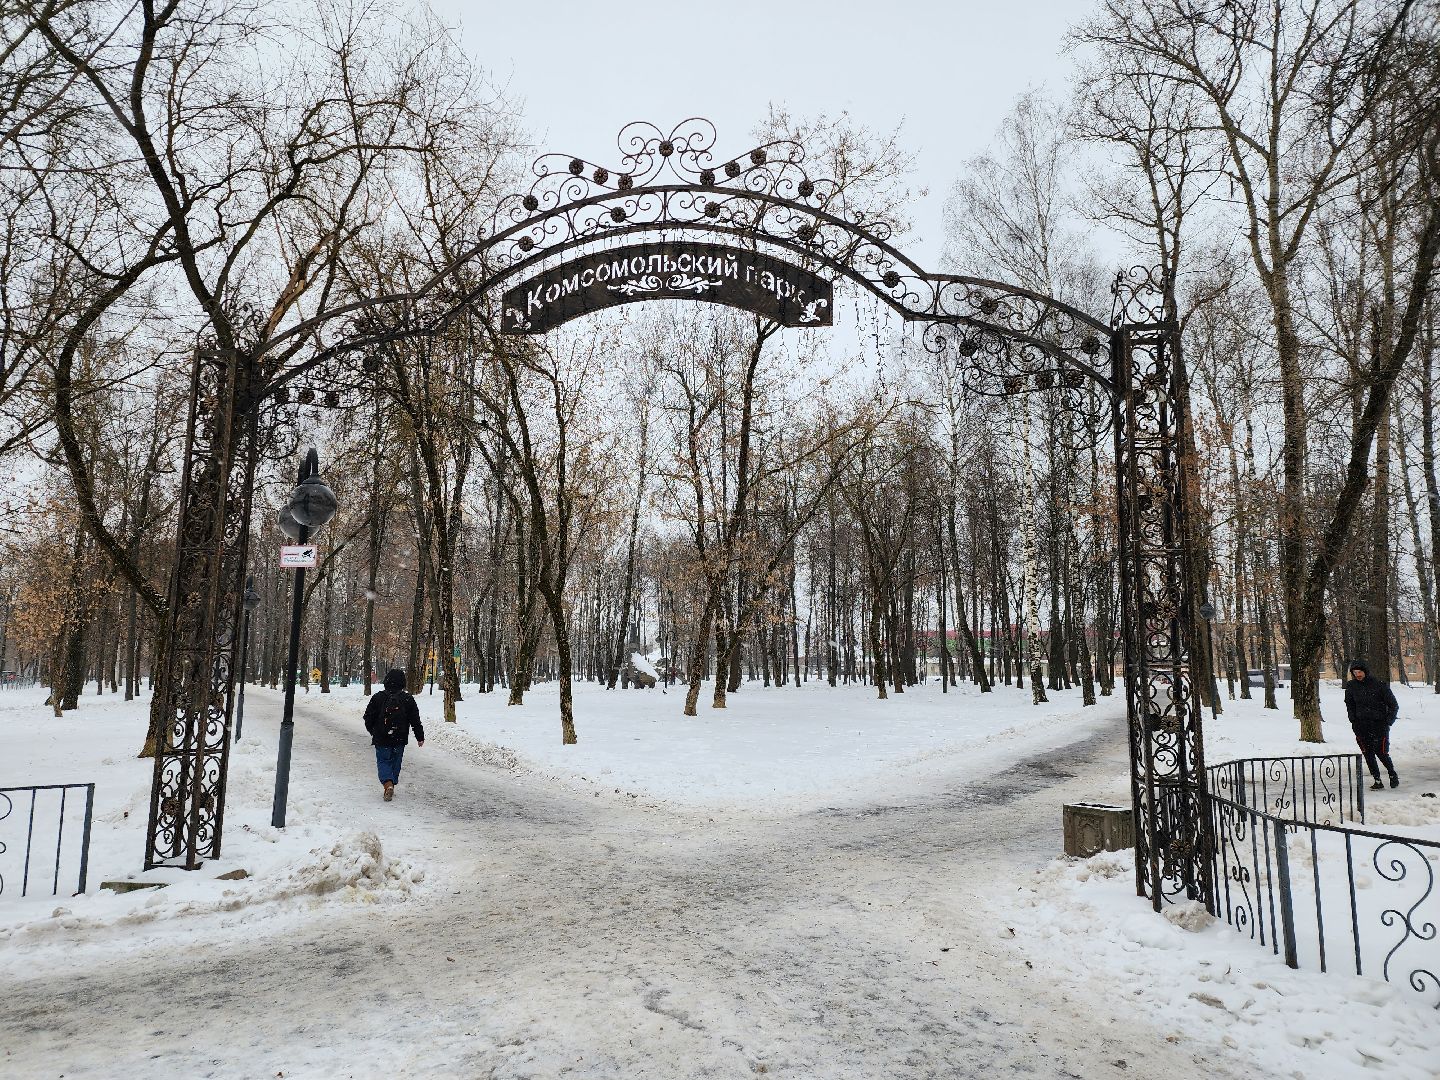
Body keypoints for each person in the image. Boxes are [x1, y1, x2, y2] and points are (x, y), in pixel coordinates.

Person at [363, 669, 424, 801]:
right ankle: (392, 783)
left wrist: (373, 732)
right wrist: (420, 737)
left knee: (384, 761)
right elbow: (415, 720)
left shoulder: (378, 697)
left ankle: (387, 783)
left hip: (382, 738)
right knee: (396, 762)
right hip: (400, 737)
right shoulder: (407, 699)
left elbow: (368, 717)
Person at [1343, 661, 1399, 790]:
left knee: (1381, 752)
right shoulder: (1351, 686)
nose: (1357, 675)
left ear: (1365, 672)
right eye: (1355, 673)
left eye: (1360, 672)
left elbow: (1393, 705)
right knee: (1368, 753)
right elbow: (1350, 705)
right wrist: (1353, 720)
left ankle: (1392, 773)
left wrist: (1388, 721)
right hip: (1361, 726)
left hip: (1379, 725)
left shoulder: (1379, 686)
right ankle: (1377, 780)